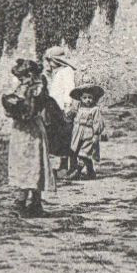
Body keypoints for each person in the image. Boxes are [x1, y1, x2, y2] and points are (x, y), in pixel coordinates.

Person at [2, 58, 55, 216]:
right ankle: (26, 203)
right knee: (23, 163)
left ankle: (29, 203)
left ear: (31, 75)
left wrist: (23, 108)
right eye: (20, 78)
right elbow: (11, 110)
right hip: (20, 131)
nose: (21, 81)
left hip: (31, 130)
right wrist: (10, 108)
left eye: (23, 77)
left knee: (33, 163)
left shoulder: (38, 89)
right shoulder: (21, 88)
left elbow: (34, 109)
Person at [43, 45, 78, 176]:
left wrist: (68, 106)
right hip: (55, 110)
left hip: (63, 109)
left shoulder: (66, 71)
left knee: (66, 137)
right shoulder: (57, 72)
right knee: (58, 137)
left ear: (57, 60)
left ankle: (69, 167)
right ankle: (62, 166)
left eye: (50, 61)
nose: (48, 64)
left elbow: (69, 89)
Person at [69, 83, 108, 179]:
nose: (87, 100)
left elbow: (97, 122)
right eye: (85, 97)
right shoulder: (79, 108)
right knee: (78, 151)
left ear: (94, 98)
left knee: (84, 153)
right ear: (81, 98)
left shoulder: (95, 109)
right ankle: (91, 173)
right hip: (77, 133)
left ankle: (77, 172)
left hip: (88, 133)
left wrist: (96, 134)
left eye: (90, 97)